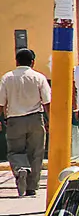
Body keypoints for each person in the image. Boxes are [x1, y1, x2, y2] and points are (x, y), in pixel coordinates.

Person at [0, 49, 51, 197]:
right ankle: (31, 187)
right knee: (36, 153)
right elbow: (47, 102)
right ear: (33, 62)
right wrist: (50, 121)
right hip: (36, 118)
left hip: (14, 119)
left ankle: (20, 168)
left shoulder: (7, 78)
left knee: (15, 151)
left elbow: (1, 103)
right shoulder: (39, 77)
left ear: (16, 61)